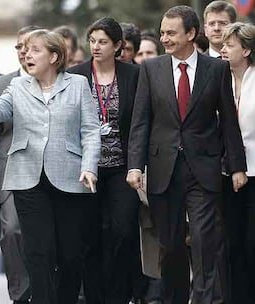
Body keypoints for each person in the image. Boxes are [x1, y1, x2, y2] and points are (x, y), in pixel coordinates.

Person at [126, 5, 247, 304]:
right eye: (162, 32)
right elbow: (141, 121)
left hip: (203, 168)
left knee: (207, 244)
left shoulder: (216, 69)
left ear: (191, 34)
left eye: (171, 33)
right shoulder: (151, 70)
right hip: (163, 169)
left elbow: (228, 122)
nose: (164, 38)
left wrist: (237, 168)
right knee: (171, 247)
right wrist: (134, 166)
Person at [0, 29, 100, 304]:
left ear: (54, 56)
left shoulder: (77, 84)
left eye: (35, 50)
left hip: (69, 177)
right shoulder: (17, 86)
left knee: (69, 254)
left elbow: (90, 130)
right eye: (25, 50)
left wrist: (89, 166)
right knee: (37, 252)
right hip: (27, 178)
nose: (27, 55)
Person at [68, 17, 145, 304]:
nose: (96, 47)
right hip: (86, 168)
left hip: (122, 168)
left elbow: (140, 122)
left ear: (117, 46)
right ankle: (94, 296)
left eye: (102, 42)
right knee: (89, 236)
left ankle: (119, 294)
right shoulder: (76, 76)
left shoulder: (133, 76)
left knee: (123, 232)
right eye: (92, 41)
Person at [0, 24, 42, 304]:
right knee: (13, 231)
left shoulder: (59, 82)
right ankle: (20, 293)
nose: (23, 52)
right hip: (9, 175)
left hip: (48, 173)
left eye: (29, 46)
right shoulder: (0, 84)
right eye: (19, 46)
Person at [220, 22, 255, 304]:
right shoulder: (217, 78)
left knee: (251, 242)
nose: (222, 49)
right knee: (231, 244)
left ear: (246, 50)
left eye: (229, 45)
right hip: (224, 172)